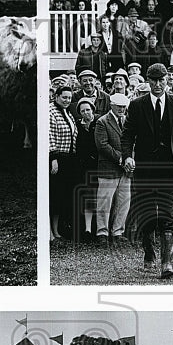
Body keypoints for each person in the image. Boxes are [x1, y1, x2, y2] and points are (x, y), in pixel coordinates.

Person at [121, 63, 173, 278]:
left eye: (162, 80)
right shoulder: (137, 105)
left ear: (168, 81)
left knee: (168, 215)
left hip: (169, 169)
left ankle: (167, 264)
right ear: (148, 81)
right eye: (154, 81)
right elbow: (127, 136)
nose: (158, 84)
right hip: (144, 169)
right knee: (146, 215)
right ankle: (149, 251)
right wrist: (127, 156)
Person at [94, 92, 131, 248]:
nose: (122, 109)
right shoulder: (102, 122)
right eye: (119, 107)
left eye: (124, 107)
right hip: (109, 168)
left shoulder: (127, 121)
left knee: (123, 201)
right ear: (112, 106)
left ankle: (118, 232)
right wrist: (122, 158)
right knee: (105, 202)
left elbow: (131, 141)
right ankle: (102, 233)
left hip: (126, 169)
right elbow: (102, 145)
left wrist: (130, 159)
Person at [49, 83, 78, 240]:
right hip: (57, 158)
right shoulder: (50, 111)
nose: (67, 100)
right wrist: (53, 157)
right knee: (54, 194)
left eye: (69, 98)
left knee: (62, 195)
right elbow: (50, 135)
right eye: (64, 97)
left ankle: (57, 230)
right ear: (57, 96)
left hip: (68, 158)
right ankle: (50, 231)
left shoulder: (67, 112)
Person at [75, 98, 98, 242]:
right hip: (84, 166)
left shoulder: (100, 122)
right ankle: (88, 229)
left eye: (88, 110)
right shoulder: (78, 125)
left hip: (99, 165)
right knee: (88, 197)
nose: (86, 113)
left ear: (93, 110)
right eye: (82, 111)